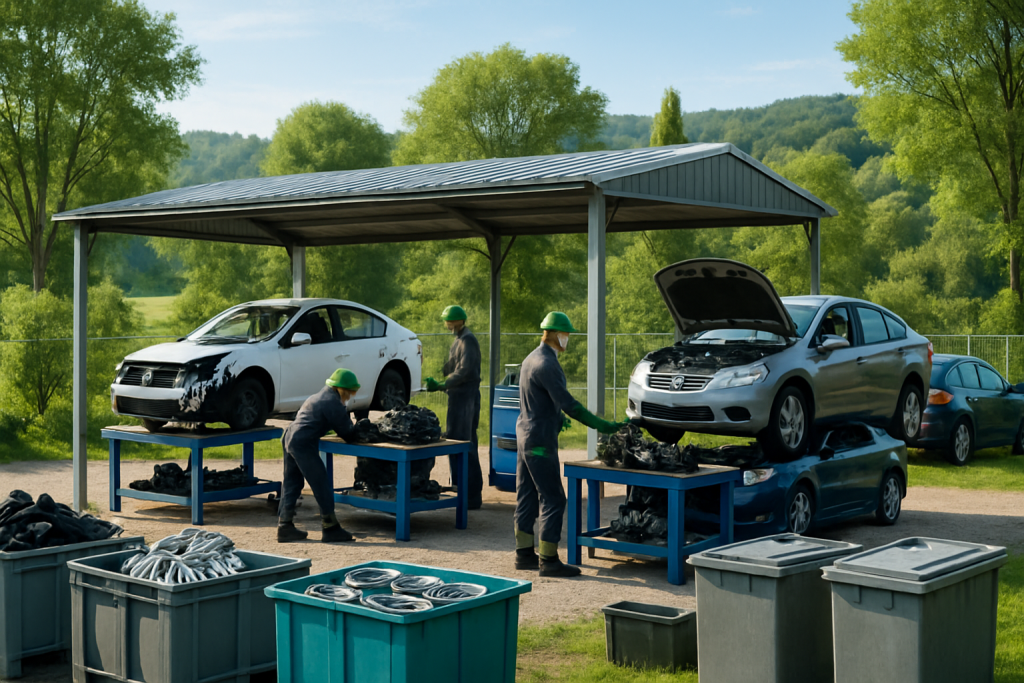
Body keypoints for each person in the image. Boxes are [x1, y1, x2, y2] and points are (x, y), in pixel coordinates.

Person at [514, 311, 628, 577]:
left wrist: (554, 418)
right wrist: (603, 425)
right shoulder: (547, 363)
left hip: (525, 434)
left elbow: (539, 399)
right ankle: (549, 561)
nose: (568, 340)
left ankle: (523, 554)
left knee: (527, 495)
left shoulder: (530, 358)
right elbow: (570, 405)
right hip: (539, 441)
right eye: (566, 335)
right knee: (554, 498)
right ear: (555, 334)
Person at [277, 368, 360, 543]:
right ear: (343, 389)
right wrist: (362, 427)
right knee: (321, 482)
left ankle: (285, 526)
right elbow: (349, 434)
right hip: (303, 443)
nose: (350, 396)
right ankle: (331, 529)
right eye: (350, 392)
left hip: (290, 437)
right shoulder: (332, 402)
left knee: (292, 482)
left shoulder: (318, 396)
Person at [424, 305, 484, 509]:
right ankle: (460, 491)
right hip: (456, 398)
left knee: (465, 445)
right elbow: (451, 367)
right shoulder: (458, 341)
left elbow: (465, 371)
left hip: (466, 398)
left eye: (449, 321)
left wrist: (443, 384)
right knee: (454, 443)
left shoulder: (468, 341)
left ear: (459, 321)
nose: (447, 324)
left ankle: (472, 496)